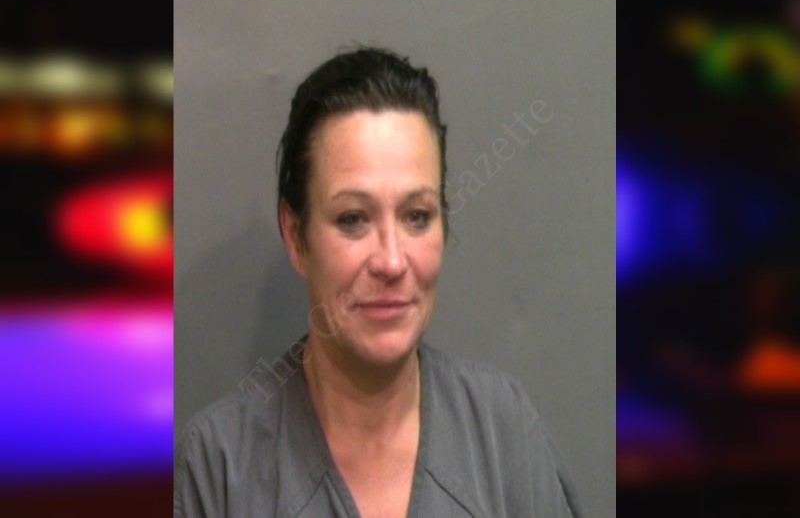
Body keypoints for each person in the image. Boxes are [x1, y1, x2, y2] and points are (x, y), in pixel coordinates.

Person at [174, 46, 582, 518]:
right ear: (296, 235)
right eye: (353, 218)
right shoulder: (220, 469)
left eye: (417, 216)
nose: (391, 261)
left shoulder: (503, 435)